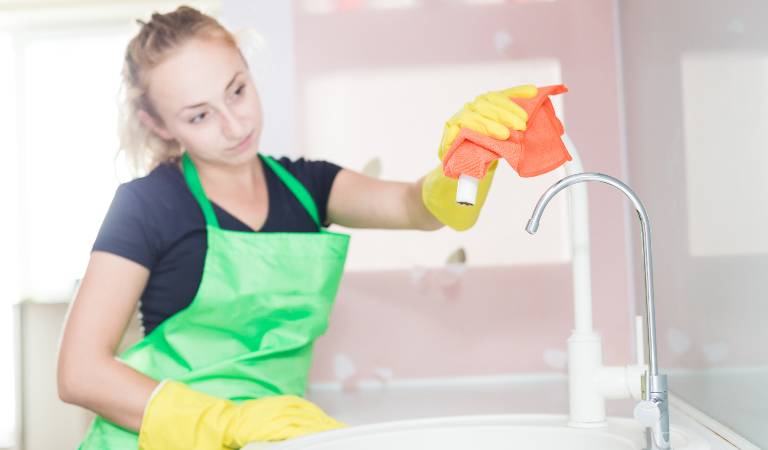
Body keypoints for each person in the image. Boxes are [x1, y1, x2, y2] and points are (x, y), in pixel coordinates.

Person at [56, 6, 536, 449]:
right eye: (200, 115)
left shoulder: (310, 187)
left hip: (273, 441)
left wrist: (469, 162)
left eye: (237, 90)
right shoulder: (147, 205)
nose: (233, 124)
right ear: (159, 125)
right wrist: (226, 423)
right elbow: (79, 371)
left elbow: (417, 208)